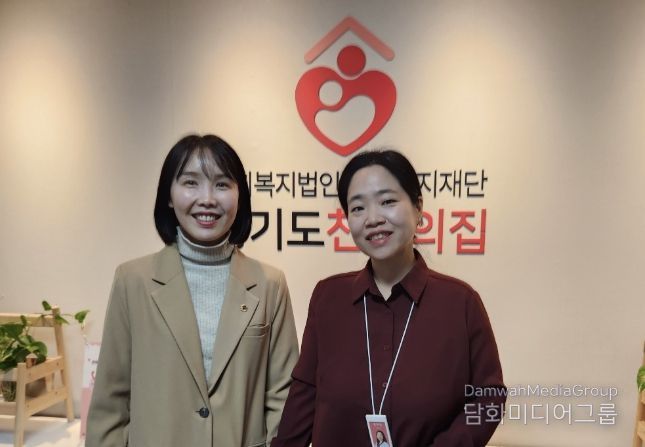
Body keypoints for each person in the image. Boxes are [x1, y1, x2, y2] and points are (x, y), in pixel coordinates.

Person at [272, 150, 505, 447]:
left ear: (418, 207)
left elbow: (489, 398)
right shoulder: (328, 297)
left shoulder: (460, 303)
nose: (373, 219)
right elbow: (305, 392)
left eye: (388, 201)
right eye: (358, 208)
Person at [87, 134, 299, 447]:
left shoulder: (270, 284)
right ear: (169, 196)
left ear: (240, 196)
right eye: (191, 183)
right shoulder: (132, 280)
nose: (207, 199)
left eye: (222, 184)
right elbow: (111, 400)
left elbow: (283, 396)